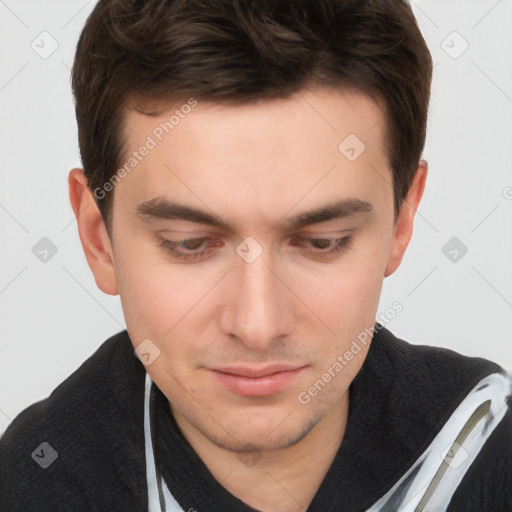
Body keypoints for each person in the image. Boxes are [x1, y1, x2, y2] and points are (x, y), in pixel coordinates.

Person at [1, 0, 510, 510]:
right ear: (98, 238)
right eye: (189, 243)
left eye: (323, 242)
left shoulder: (494, 454)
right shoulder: (31, 482)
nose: (258, 325)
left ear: (401, 220)